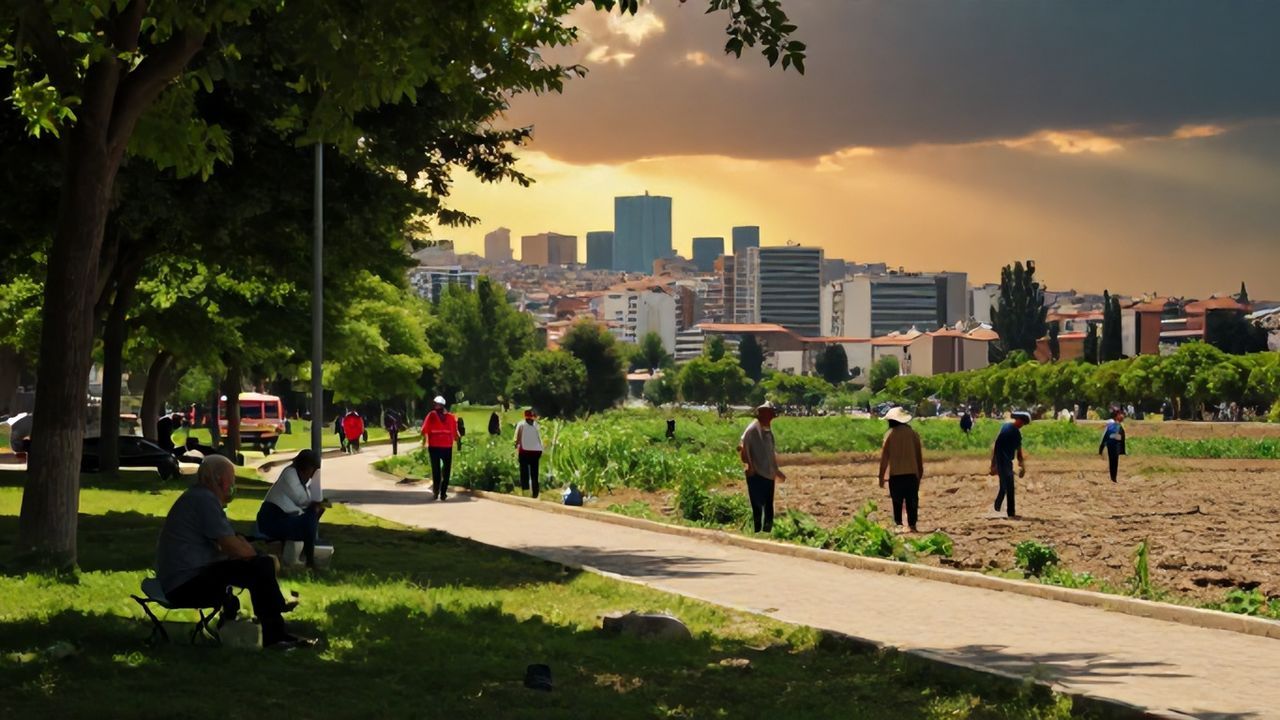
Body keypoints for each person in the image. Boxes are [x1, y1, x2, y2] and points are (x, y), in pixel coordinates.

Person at [156, 455, 309, 648]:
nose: (234, 484)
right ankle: (276, 631)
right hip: (185, 584)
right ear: (219, 480)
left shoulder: (198, 497)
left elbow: (229, 544)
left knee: (259, 565)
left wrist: (246, 549)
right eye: (232, 479)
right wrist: (257, 555)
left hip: (181, 579)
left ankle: (276, 619)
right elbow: (237, 548)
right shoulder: (205, 500)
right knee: (260, 566)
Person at [257, 450, 325, 568]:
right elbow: (302, 500)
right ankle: (310, 560)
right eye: (312, 472)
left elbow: (309, 502)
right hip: (272, 519)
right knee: (310, 518)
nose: (311, 476)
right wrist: (315, 484)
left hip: (283, 518)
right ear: (307, 468)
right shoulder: (290, 474)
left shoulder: (300, 479)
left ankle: (309, 558)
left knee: (310, 518)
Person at [738, 401, 786, 533]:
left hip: (768, 473)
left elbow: (770, 453)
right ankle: (757, 530)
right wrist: (751, 467)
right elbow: (744, 448)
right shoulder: (753, 430)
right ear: (764, 414)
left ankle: (767, 531)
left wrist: (776, 470)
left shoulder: (768, 431)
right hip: (757, 473)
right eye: (770, 413)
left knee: (769, 505)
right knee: (758, 505)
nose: (771, 416)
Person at [878, 407, 925, 533]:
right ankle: (912, 525)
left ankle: (898, 524)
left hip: (896, 475)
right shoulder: (913, 434)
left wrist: (881, 477)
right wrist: (919, 473)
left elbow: (884, 459)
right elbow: (918, 456)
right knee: (912, 502)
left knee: (897, 502)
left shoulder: (889, 435)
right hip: (911, 475)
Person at [990, 411, 1031, 519]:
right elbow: (1019, 453)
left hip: (1002, 461)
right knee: (1009, 487)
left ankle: (997, 507)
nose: (1022, 425)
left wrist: (993, 464)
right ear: (1019, 420)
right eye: (1022, 422)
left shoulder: (1006, 427)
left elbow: (996, 446)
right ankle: (1010, 513)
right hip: (1004, 462)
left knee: (1004, 486)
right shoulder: (1014, 433)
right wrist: (1022, 466)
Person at [420, 396, 459, 501]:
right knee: (445, 471)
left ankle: (437, 492)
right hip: (446, 447)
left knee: (436, 470)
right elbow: (455, 434)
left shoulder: (432, 415)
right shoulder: (450, 417)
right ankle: (441, 493)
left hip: (435, 446)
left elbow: (424, 430)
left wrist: (425, 441)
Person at [515, 409, 544, 498]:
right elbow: (540, 438)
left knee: (524, 472)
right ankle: (535, 492)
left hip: (525, 451)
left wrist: (516, 445)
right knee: (534, 472)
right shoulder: (536, 425)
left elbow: (518, 437)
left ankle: (526, 490)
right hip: (536, 452)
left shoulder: (521, 424)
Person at [1099, 407, 1127, 483]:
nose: (1122, 416)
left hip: (1115, 446)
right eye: (1120, 414)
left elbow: (1122, 438)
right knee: (1113, 462)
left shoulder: (1120, 426)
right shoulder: (1111, 425)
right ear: (1116, 416)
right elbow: (1105, 437)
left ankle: (1114, 478)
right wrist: (1101, 448)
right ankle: (1113, 478)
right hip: (1112, 446)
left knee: (1114, 462)